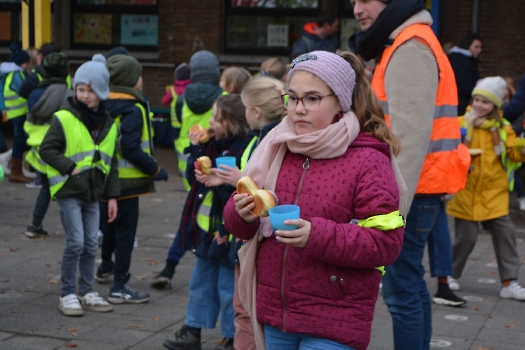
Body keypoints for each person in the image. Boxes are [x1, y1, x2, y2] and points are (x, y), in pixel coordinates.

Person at [224, 50, 406, 350]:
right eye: (292, 98)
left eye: (312, 98)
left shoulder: (367, 159)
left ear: (340, 102)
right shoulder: (276, 146)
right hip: (276, 313)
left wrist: (316, 235)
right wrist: (241, 213)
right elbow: (242, 227)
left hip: (334, 319)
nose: (299, 109)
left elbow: (385, 241)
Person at [348, 0, 471, 348]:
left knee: (402, 289)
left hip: (413, 188)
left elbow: (410, 138)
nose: (356, 9)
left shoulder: (409, 46)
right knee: (410, 284)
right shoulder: (407, 40)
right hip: (423, 184)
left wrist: (391, 211)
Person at [162, 94, 253, 350]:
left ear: (233, 122)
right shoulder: (213, 143)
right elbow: (194, 178)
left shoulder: (244, 147)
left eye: (216, 117)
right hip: (205, 228)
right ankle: (193, 329)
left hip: (229, 231)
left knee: (227, 287)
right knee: (200, 282)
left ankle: (232, 336)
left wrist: (224, 180)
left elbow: (237, 192)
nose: (210, 122)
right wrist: (198, 150)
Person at [39, 54, 119, 316]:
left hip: (94, 193)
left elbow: (112, 163)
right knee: (75, 242)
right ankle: (67, 294)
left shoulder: (108, 123)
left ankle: (86, 291)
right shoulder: (64, 118)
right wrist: (69, 168)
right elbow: (47, 150)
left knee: (90, 244)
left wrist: (113, 197)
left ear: (102, 92)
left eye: (90, 91)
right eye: (81, 89)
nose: (85, 95)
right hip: (69, 189)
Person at [95, 54, 167, 304]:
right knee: (125, 236)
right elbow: (130, 148)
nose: (141, 79)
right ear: (128, 79)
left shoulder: (102, 103)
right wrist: (155, 170)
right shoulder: (133, 108)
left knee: (108, 229)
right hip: (128, 183)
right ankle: (119, 286)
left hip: (104, 179)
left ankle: (105, 266)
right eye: (138, 74)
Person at [447, 77, 525, 300]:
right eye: (477, 100)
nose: (480, 105)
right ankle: (450, 274)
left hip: (495, 193)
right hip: (466, 192)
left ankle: (509, 282)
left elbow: (513, 155)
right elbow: (448, 151)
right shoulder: (461, 123)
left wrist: (521, 150)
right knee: (466, 238)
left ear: (496, 106)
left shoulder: (504, 128)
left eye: (486, 102)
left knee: (506, 235)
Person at [222, 75, 285, 350]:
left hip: (257, 236)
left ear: (255, 111)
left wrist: (238, 177)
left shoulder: (270, 140)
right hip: (248, 230)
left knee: (245, 310)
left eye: (246, 107)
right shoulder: (260, 137)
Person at [151, 50, 223, 288]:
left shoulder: (178, 100)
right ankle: (201, 263)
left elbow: (174, 134)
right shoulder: (224, 98)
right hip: (215, 165)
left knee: (193, 213)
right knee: (202, 215)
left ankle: (171, 266)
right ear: (215, 73)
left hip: (189, 165)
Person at [24, 52, 73, 238]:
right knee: (66, 190)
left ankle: (34, 224)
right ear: (65, 72)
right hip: (60, 151)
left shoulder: (35, 93)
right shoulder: (68, 95)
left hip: (39, 151)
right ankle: (72, 230)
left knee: (45, 187)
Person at [448, 33, 483, 116]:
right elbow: (464, 86)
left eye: (480, 47)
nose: (479, 50)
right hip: (460, 105)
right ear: (467, 46)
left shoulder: (457, 59)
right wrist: (480, 93)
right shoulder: (464, 63)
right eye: (476, 47)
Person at [161, 63, 191, 144]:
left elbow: (164, 102)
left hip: (175, 123)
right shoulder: (191, 89)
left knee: (177, 144)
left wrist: (168, 93)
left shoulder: (173, 90)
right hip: (188, 123)